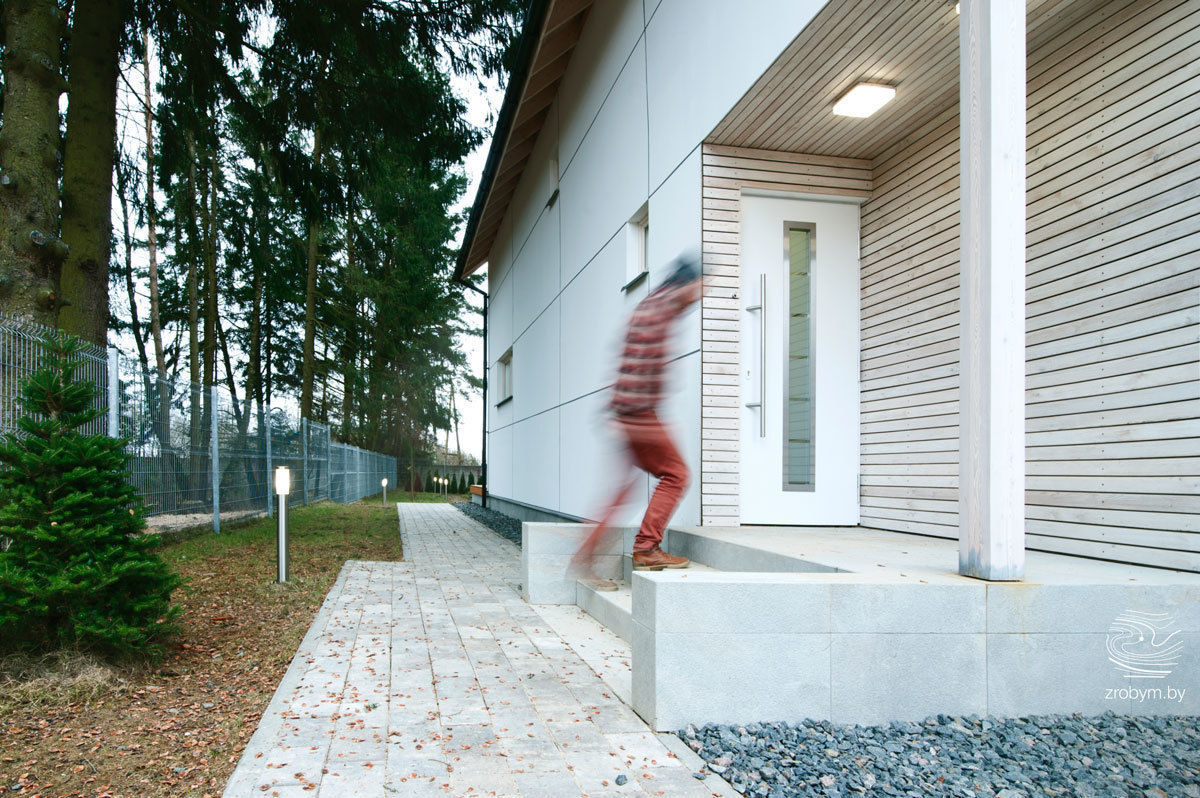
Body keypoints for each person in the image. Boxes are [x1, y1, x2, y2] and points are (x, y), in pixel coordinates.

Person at [572, 256, 702, 584]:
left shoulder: (651, 305)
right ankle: (646, 548)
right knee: (676, 474)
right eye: (699, 288)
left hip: (626, 413)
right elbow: (640, 367)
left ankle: (584, 560)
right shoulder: (662, 310)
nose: (699, 296)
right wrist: (641, 420)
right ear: (685, 284)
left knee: (621, 492)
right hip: (637, 414)